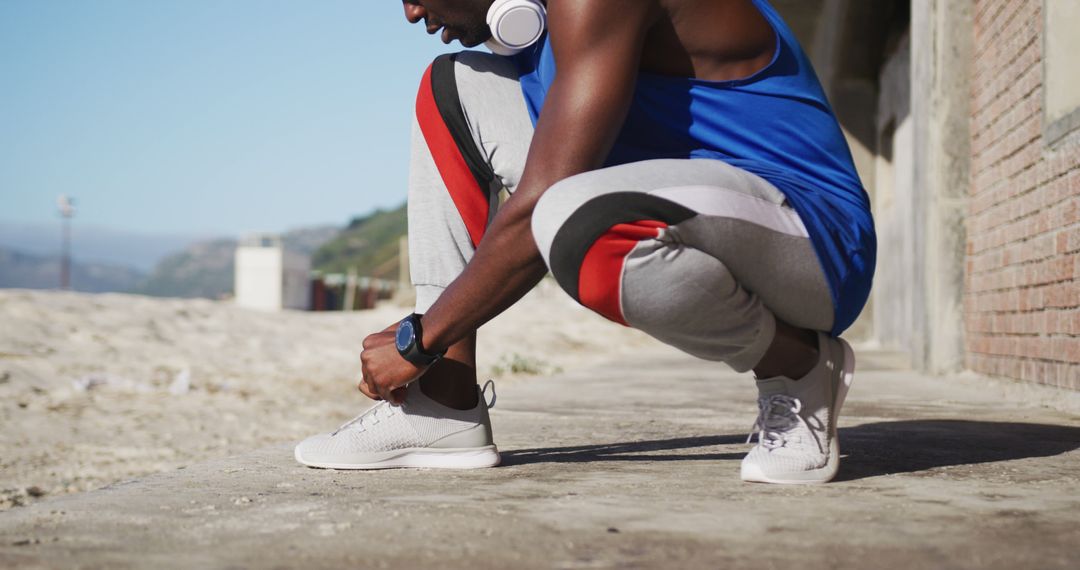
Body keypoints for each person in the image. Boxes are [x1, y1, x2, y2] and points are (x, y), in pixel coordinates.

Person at [294, 0, 875, 484]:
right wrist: (432, 353)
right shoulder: (548, 26)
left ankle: (796, 367)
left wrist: (416, 339)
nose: (412, 11)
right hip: (686, 201)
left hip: (810, 239)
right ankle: (441, 407)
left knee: (572, 217)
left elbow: (545, 201)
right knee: (453, 88)